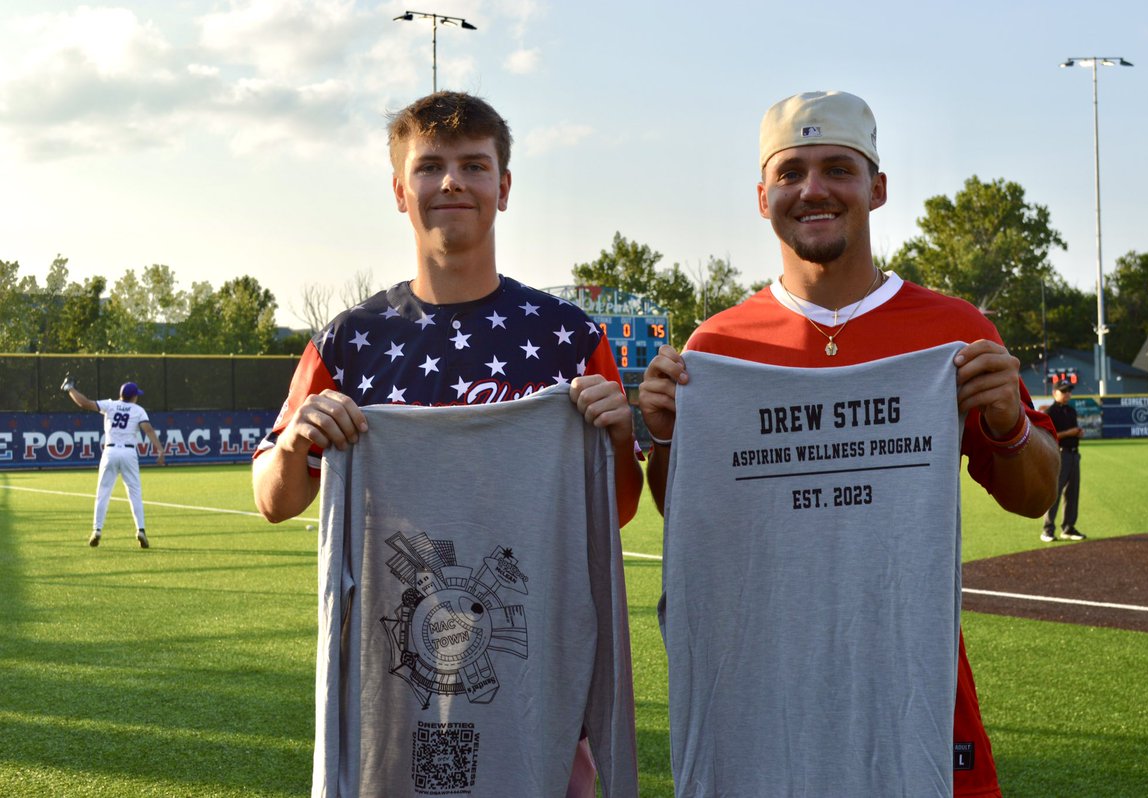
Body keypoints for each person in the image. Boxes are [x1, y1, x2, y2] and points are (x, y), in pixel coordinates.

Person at [639, 90, 1060, 796]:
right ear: (763, 194)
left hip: (916, 689)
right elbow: (685, 515)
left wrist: (1007, 423)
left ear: (877, 187)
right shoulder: (718, 345)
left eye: (838, 168)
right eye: (791, 172)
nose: (813, 189)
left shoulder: (954, 331)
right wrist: (666, 437)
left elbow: (1036, 494)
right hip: (763, 692)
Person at [251, 91, 642, 797]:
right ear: (401, 191)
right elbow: (273, 502)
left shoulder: (568, 338)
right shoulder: (350, 340)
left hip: (532, 674)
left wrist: (616, 435)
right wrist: (293, 445)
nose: (452, 182)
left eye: (473, 165)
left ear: (504, 186)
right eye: (429, 167)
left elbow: (613, 513)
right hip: (396, 676)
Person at [62, 377, 166, 548]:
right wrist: (160, 449)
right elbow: (147, 429)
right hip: (128, 452)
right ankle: (141, 530)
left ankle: (97, 530)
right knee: (135, 494)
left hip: (110, 451)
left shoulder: (110, 405)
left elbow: (84, 404)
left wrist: (69, 389)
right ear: (134, 396)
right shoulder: (138, 410)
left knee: (103, 493)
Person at [1041, 379, 1085, 542]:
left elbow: (1071, 432)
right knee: (1055, 492)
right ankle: (1047, 529)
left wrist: (1077, 433)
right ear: (1054, 393)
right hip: (1059, 455)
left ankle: (1068, 527)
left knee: (1072, 493)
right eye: (1064, 390)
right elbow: (1048, 436)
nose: (1067, 394)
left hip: (1074, 454)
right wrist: (1069, 433)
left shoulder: (1071, 411)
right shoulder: (1050, 412)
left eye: (1069, 390)